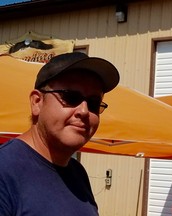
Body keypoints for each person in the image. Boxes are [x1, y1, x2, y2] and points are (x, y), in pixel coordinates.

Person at [0, 52, 120, 216]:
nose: (84, 111)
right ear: (37, 102)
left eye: (93, 103)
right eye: (70, 97)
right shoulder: (5, 170)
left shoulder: (78, 173)